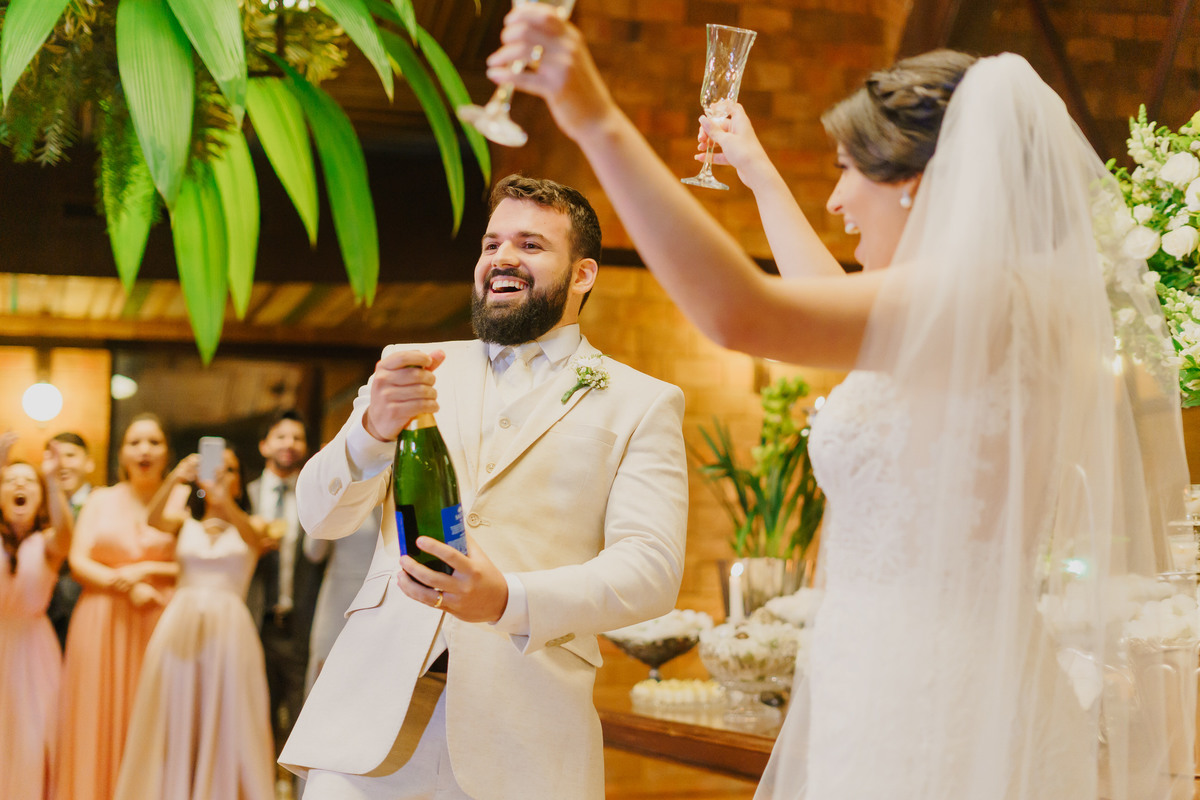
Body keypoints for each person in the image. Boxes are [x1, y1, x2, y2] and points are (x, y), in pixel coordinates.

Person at [492, 10, 1192, 800]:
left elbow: (743, 313)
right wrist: (756, 172)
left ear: (915, 184)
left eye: (847, 170)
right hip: (881, 680)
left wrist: (596, 119)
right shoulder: (975, 310)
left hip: (942, 699)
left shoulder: (988, 300)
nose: (835, 200)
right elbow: (823, 296)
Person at [279, 174, 689, 800]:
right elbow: (319, 517)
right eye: (491, 243)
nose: (501, 258)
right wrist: (369, 432)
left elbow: (651, 569)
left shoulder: (642, 401)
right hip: (371, 717)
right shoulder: (413, 368)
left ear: (582, 274)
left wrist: (508, 599)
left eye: (530, 245)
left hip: (527, 732)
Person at [114, 446, 275, 800]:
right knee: (174, 709)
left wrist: (224, 504)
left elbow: (256, 539)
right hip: (181, 624)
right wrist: (176, 477)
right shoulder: (184, 521)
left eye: (230, 470)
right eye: (218, 467)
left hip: (231, 628)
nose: (222, 474)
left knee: (232, 712)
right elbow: (152, 520)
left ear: (239, 480)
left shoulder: (255, 523)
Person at [58, 413, 181, 800]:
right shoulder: (100, 498)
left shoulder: (182, 497)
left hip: (163, 619)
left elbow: (198, 561)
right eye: (134, 442)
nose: (144, 450)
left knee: (158, 717)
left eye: (154, 442)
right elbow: (78, 561)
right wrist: (126, 586)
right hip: (101, 619)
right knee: (97, 717)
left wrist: (147, 571)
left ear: (167, 452)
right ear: (122, 453)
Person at [246, 409, 323, 758]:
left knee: (302, 719)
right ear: (264, 445)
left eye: (297, 438)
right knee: (253, 720)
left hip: (300, 625)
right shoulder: (242, 495)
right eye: (281, 436)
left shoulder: (315, 495)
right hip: (254, 622)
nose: (289, 444)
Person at [0, 434, 73, 800]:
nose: (18, 485)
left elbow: (67, 534)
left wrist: (49, 478)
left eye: (27, 481)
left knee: (34, 736)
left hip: (34, 649)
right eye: (11, 480)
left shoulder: (46, 544)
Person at [303, 505, 382, 693]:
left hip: (377, 598)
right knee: (325, 668)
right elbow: (313, 552)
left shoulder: (390, 491)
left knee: (370, 675)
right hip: (336, 599)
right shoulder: (342, 496)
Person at [45, 431, 94, 648]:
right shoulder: (38, 508)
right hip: (42, 612)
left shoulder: (102, 501)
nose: (62, 464)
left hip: (86, 605)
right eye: (54, 457)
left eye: (70, 455)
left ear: (89, 463)